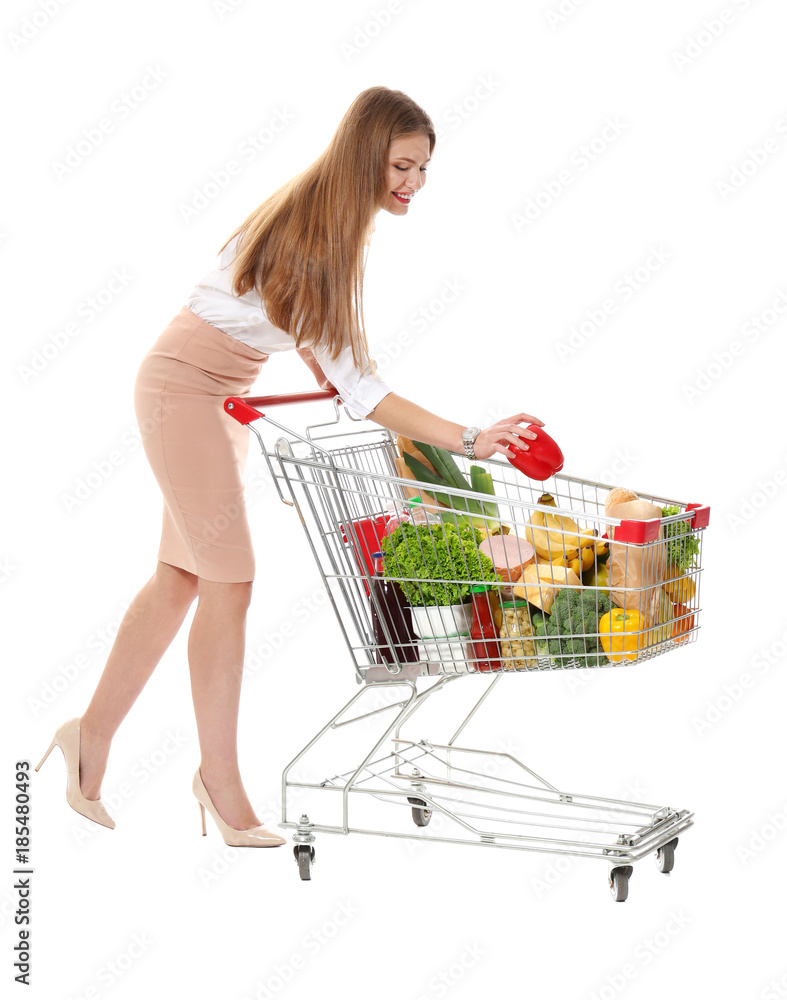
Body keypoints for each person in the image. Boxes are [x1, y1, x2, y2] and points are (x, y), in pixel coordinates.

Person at [35, 86, 543, 848]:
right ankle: (219, 781)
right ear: (364, 155)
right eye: (403, 165)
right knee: (230, 584)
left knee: (182, 579)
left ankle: (90, 739)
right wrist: (468, 439)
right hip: (184, 393)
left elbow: (325, 356)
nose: (415, 183)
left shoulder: (325, 225)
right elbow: (362, 388)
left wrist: (423, 422)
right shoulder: (316, 240)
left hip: (212, 396)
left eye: (423, 168)